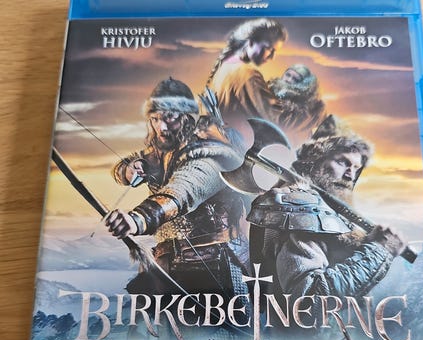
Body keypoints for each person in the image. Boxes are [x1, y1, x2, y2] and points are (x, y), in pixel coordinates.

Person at [105, 77, 249, 308]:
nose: (161, 127)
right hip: (169, 267)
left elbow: (183, 191)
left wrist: (137, 219)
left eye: (169, 117)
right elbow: (125, 167)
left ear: (186, 117)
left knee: (220, 329)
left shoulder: (211, 154)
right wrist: (129, 170)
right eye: (155, 119)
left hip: (216, 268)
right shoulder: (162, 151)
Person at [247, 114, 406, 300]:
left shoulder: (324, 209)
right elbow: (310, 300)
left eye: (356, 168)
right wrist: (379, 251)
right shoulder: (301, 209)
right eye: (343, 162)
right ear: (315, 158)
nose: (350, 175)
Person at [206, 18, 289, 134]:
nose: (272, 57)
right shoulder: (248, 75)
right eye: (269, 49)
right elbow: (274, 121)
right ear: (250, 42)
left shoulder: (224, 66)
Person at [268, 64, 326, 142]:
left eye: (295, 79)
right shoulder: (269, 89)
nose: (288, 80)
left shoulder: (304, 108)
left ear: (303, 84)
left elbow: (287, 126)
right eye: (288, 75)